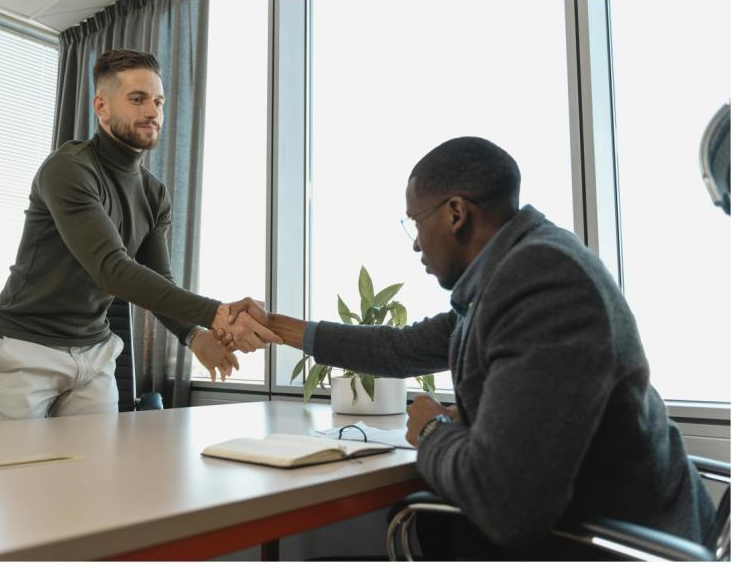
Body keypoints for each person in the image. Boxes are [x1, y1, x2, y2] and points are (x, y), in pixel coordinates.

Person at [225, 137, 715, 558]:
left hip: (612, 546)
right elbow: (402, 349)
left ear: (456, 213)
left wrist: (434, 430)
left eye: (415, 223)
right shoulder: (513, 271)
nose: (415, 244)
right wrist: (280, 328)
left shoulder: (541, 283)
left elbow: (508, 504)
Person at [0, 49, 281, 422]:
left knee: (98, 475)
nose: (153, 112)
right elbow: (112, 270)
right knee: (19, 477)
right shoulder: (68, 170)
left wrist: (196, 337)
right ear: (101, 107)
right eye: (137, 99)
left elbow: (159, 280)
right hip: (26, 347)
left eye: (158, 101)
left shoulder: (155, 195)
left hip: (94, 352)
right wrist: (217, 314)